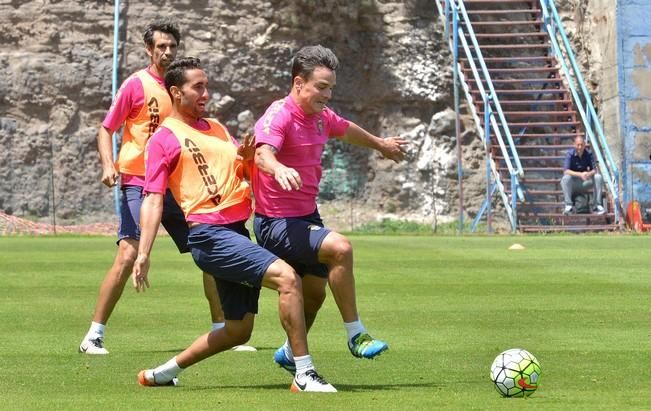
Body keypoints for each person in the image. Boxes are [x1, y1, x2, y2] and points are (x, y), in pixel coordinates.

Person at [133, 57, 336, 392]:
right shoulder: (163, 139)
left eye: (206, 86)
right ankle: (304, 373)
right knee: (288, 278)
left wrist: (244, 158)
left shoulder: (216, 127)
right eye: (198, 86)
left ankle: (163, 373)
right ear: (175, 92)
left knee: (238, 331)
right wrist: (144, 253)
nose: (205, 93)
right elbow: (153, 198)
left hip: (237, 231)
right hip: (209, 236)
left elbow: (240, 173)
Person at [79, 21, 244, 355]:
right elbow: (105, 128)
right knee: (128, 254)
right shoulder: (135, 85)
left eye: (172, 47)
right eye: (161, 47)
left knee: (210, 249)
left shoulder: (182, 90)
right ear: (148, 49)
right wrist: (108, 165)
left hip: (177, 186)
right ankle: (93, 335)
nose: (167, 52)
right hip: (139, 181)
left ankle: (222, 328)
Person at [252, 44, 408, 372]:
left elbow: (345, 128)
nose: (327, 95)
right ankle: (356, 334)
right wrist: (277, 168)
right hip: (275, 222)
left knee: (314, 295)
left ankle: (288, 352)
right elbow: (262, 153)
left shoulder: (321, 117)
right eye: (321, 87)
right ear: (299, 83)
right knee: (340, 248)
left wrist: (380, 144)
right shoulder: (278, 115)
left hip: (306, 217)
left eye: (331, 88)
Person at [561, 135, 605, 215]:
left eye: (582, 145)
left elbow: (595, 170)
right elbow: (566, 171)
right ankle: (568, 205)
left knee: (598, 177)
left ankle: (597, 205)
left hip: (585, 181)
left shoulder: (588, 154)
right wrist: (580, 174)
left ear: (584, 145)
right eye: (578, 145)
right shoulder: (570, 154)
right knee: (565, 179)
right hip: (574, 183)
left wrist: (588, 174)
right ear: (574, 145)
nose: (580, 147)